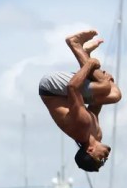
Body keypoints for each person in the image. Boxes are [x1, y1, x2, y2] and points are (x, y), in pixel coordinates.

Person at [39, 29, 122, 172]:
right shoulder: (97, 134)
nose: (105, 158)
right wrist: (105, 81)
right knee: (113, 93)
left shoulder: (80, 126)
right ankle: (85, 53)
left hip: (50, 88)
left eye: (100, 160)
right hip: (65, 93)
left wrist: (91, 65)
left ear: (90, 150)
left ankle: (74, 43)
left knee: (105, 88)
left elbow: (72, 87)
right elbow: (95, 104)